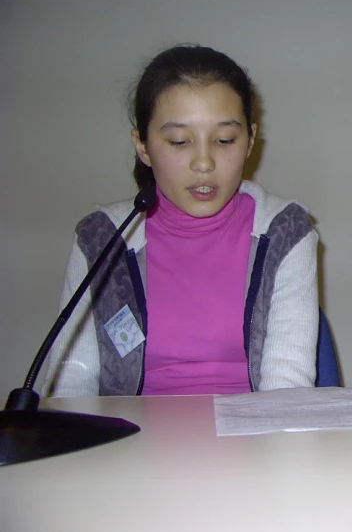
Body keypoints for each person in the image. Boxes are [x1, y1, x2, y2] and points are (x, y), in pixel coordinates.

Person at [44, 45, 319, 397]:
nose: (203, 163)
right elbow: (72, 385)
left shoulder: (283, 232)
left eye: (223, 140)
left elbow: (287, 385)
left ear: (250, 140)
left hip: (254, 438)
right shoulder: (102, 239)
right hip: (131, 443)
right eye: (179, 141)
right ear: (142, 146)